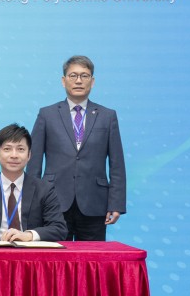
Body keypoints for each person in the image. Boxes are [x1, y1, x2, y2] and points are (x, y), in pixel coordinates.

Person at [27, 55, 126, 241]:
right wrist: (32, 202)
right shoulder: (47, 114)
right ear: (63, 81)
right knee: (54, 262)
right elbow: (34, 162)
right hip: (53, 200)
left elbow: (117, 164)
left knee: (91, 263)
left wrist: (116, 203)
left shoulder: (107, 116)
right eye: (73, 75)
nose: (79, 80)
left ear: (93, 81)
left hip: (94, 202)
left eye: (84, 76)